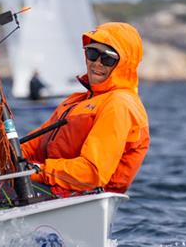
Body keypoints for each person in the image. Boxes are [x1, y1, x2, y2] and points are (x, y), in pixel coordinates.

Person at [21, 22, 150, 195]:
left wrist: (37, 171)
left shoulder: (119, 104)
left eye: (108, 58)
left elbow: (91, 172)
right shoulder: (75, 100)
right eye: (92, 53)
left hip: (74, 196)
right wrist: (0, 154)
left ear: (124, 63)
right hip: (49, 189)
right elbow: (33, 145)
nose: (97, 63)